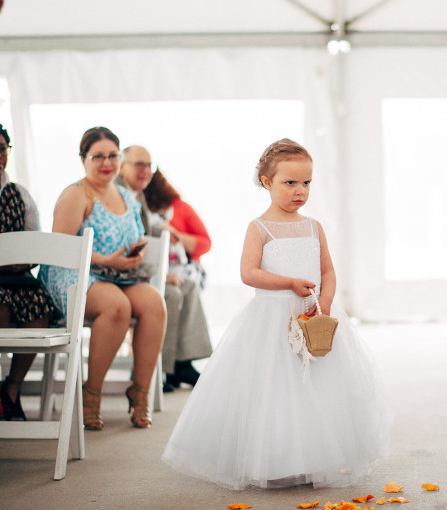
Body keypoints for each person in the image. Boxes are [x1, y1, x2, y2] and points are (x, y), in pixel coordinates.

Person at [163, 138, 391, 489]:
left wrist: (325, 300)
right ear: (267, 182)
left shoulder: (313, 226)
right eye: (290, 182)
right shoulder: (260, 228)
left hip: (313, 317)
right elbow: (249, 273)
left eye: (307, 182)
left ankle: (319, 456)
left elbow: (327, 270)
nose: (300, 191)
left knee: (320, 385)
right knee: (278, 389)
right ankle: (279, 460)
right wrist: (288, 283)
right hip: (272, 319)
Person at [39, 127, 166, 430]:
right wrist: (107, 260)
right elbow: (60, 249)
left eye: (113, 155)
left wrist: (134, 253)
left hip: (118, 274)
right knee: (117, 306)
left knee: (155, 303)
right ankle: (91, 393)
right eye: (98, 156)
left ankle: (140, 391)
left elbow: (135, 234)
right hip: (73, 272)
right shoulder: (76, 194)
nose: (107, 162)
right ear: (83, 159)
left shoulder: (126, 196)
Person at [118, 147, 212, 392]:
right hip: (135, 272)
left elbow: (204, 242)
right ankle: (160, 368)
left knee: (188, 286)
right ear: (122, 166)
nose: (146, 171)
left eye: (149, 166)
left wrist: (175, 235)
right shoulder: (124, 195)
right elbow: (131, 244)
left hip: (171, 267)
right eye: (139, 165)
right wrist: (159, 275)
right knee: (172, 293)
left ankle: (182, 362)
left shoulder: (150, 199)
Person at [0, 121, 60, 422]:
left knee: (40, 307)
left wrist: (22, 260)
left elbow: (33, 241)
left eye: (2, 148)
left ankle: (12, 387)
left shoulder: (20, 194)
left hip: (16, 278)